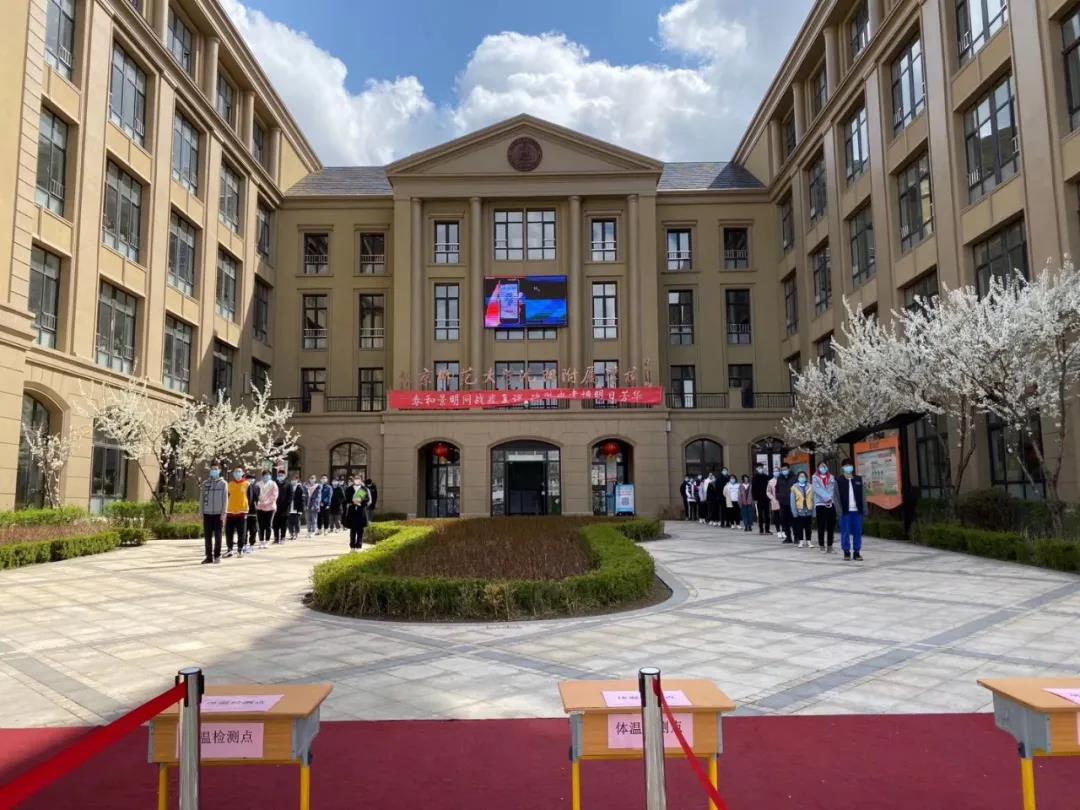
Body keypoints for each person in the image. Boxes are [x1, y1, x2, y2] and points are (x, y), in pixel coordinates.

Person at [836, 458, 868, 561]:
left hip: (857, 511)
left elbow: (863, 495)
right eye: (846, 465)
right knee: (845, 532)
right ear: (842, 468)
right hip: (845, 512)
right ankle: (846, 552)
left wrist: (864, 509)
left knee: (858, 532)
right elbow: (835, 497)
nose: (848, 467)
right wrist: (839, 511)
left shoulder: (858, 479)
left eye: (850, 465)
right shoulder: (838, 480)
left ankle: (857, 552)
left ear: (853, 467)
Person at [200, 462, 227, 564]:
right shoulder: (205, 483)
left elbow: (225, 499)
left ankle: (217, 555)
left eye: (216, 469)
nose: (213, 471)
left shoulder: (223, 483)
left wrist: (223, 512)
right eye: (212, 469)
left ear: (219, 471)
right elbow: (202, 498)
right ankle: (208, 557)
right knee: (207, 537)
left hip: (218, 514)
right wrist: (201, 511)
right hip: (207, 513)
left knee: (218, 536)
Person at [812, 462, 838, 553]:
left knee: (831, 526)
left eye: (824, 466)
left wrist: (830, 499)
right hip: (820, 504)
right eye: (821, 466)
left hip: (831, 503)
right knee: (821, 526)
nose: (823, 468)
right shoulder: (815, 477)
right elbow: (817, 489)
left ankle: (830, 546)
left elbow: (832, 489)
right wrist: (827, 498)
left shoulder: (831, 477)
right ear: (818, 468)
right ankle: (822, 545)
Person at [224, 466, 249, 559]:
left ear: (242, 473)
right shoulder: (229, 484)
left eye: (239, 471)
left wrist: (247, 508)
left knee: (241, 532)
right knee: (229, 532)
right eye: (235, 471)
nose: (237, 473)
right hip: (230, 511)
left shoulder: (247, 484)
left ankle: (240, 549)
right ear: (233, 473)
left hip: (242, 512)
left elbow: (250, 497)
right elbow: (226, 497)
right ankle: (229, 549)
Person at [789, 471, 815, 548]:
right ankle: (801, 541)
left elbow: (813, 499)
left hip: (808, 510)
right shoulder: (794, 487)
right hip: (799, 510)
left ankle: (809, 541)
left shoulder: (811, 487)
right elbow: (792, 501)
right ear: (798, 478)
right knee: (799, 527)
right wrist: (794, 512)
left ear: (806, 478)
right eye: (800, 476)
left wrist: (814, 511)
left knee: (808, 527)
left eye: (803, 476)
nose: (802, 478)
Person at [346, 481, 370, 550]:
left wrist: (360, 501)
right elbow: (346, 499)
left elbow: (367, 499)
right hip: (352, 512)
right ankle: (352, 546)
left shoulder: (363, 489)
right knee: (352, 531)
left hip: (361, 512)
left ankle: (358, 546)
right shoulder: (349, 489)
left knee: (360, 531)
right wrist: (352, 501)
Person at [776, 463, 795, 543]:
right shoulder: (779, 478)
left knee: (794, 521)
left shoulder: (794, 477)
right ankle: (788, 537)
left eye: (785, 469)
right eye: (782, 469)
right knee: (785, 521)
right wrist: (778, 497)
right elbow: (777, 489)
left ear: (789, 469)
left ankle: (797, 537)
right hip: (783, 502)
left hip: (792, 503)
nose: (784, 471)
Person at [751, 464, 771, 534]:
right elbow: (753, 489)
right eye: (759, 468)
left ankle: (767, 529)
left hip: (766, 498)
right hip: (758, 499)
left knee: (767, 515)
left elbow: (769, 487)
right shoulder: (754, 478)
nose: (760, 469)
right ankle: (761, 529)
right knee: (760, 515)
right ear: (756, 469)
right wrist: (755, 498)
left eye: (761, 468)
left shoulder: (766, 477)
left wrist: (769, 497)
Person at [272, 470, 291, 544]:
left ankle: (283, 537)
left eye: (282, 475)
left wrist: (287, 504)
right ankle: (276, 538)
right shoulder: (274, 483)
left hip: (285, 507)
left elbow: (290, 495)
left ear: (285, 476)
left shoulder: (288, 484)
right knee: (275, 523)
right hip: (275, 506)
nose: (280, 476)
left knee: (284, 523)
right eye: (279, 475)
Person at [245, 471, 259, 552]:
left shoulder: (256, 487)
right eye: (248, 478)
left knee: (253, 529)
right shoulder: (243, 487)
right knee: (244, 530)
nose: (250, 480)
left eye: (252, 478)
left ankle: (252, 544)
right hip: (244, 511)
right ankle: (244, 544)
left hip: (253, 511)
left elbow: (257, 498)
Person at [766, 470, 783, 539]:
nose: (776, 472)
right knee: (777, 516)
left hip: (783, 500)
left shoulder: (782, 479)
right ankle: (778, 531)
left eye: (777, 471)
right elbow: (768, 492)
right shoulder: (770, 481)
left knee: (783, 516)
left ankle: (784, 531)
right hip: (775, 500)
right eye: (775, 471)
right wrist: (772, 498)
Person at [289, 473, 304, 540]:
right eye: (292, 480)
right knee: (290, 522)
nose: (293, 481)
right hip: (290, 508)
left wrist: (301, 510)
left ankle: (296, 533)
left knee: (296, 522)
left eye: (294, 479)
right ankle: (291, 533)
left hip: (297, 508)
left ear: (297, 480)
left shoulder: (300, 488)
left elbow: (302, 500)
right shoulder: (289, 487)